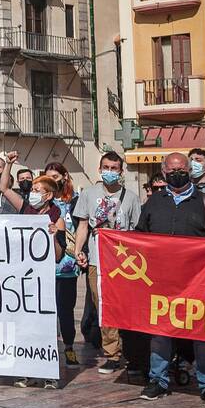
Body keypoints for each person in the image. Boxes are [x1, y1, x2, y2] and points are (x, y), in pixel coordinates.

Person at [135, 152, 205, 408]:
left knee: (203, 334)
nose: (178, 173)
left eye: (182, 169)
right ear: (164, 173)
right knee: (160, 333)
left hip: (199, 282)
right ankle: (158, 380)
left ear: (190, 171)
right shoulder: (154, 203)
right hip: (161, 283)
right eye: (172, 170)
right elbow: (140, 237)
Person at [72, 151, 142, 377]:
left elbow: (137, 232)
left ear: (120, 172)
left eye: (114, 168)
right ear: (99, 169)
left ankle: (133, 352)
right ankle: (112, 353)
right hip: (96, 260)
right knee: (103, 306)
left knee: (126, 306)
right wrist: (78, 251)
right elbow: (82, 225)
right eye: (106, 167)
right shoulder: (89, 194)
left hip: (124, 263)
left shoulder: (131, 197)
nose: (109, 171)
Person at [7, 174, 66, 388]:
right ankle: (25, 370)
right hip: (24, 278)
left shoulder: (56, 217)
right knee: (24, 324)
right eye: (32, 189)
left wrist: (53, 235)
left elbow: (59, 255)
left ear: (48, 195)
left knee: (46, 325)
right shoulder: (26, 212)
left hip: (45, 280)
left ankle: (48, 372)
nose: (32, 194)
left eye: (37, 190)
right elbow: (5, 188)